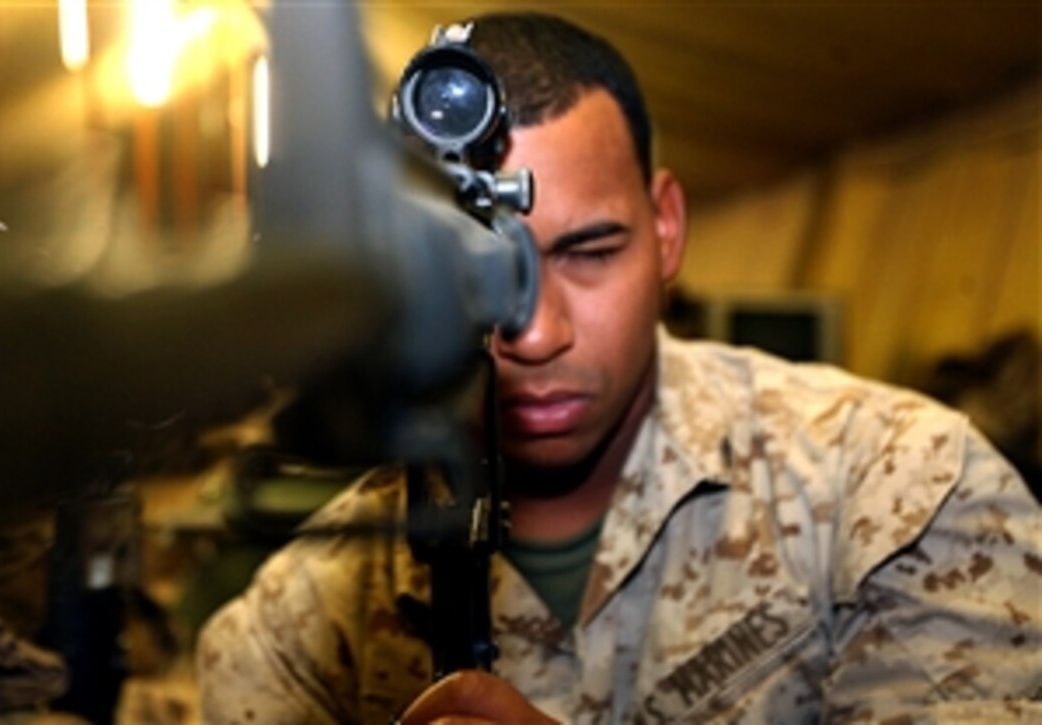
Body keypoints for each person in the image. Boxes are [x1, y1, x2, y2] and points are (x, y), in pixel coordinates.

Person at [197, 12, 1042, 723]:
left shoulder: (900, 491)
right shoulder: (299, 624)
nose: (534, 332)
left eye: (589, 250)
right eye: (477, 273)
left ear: (667, 227)